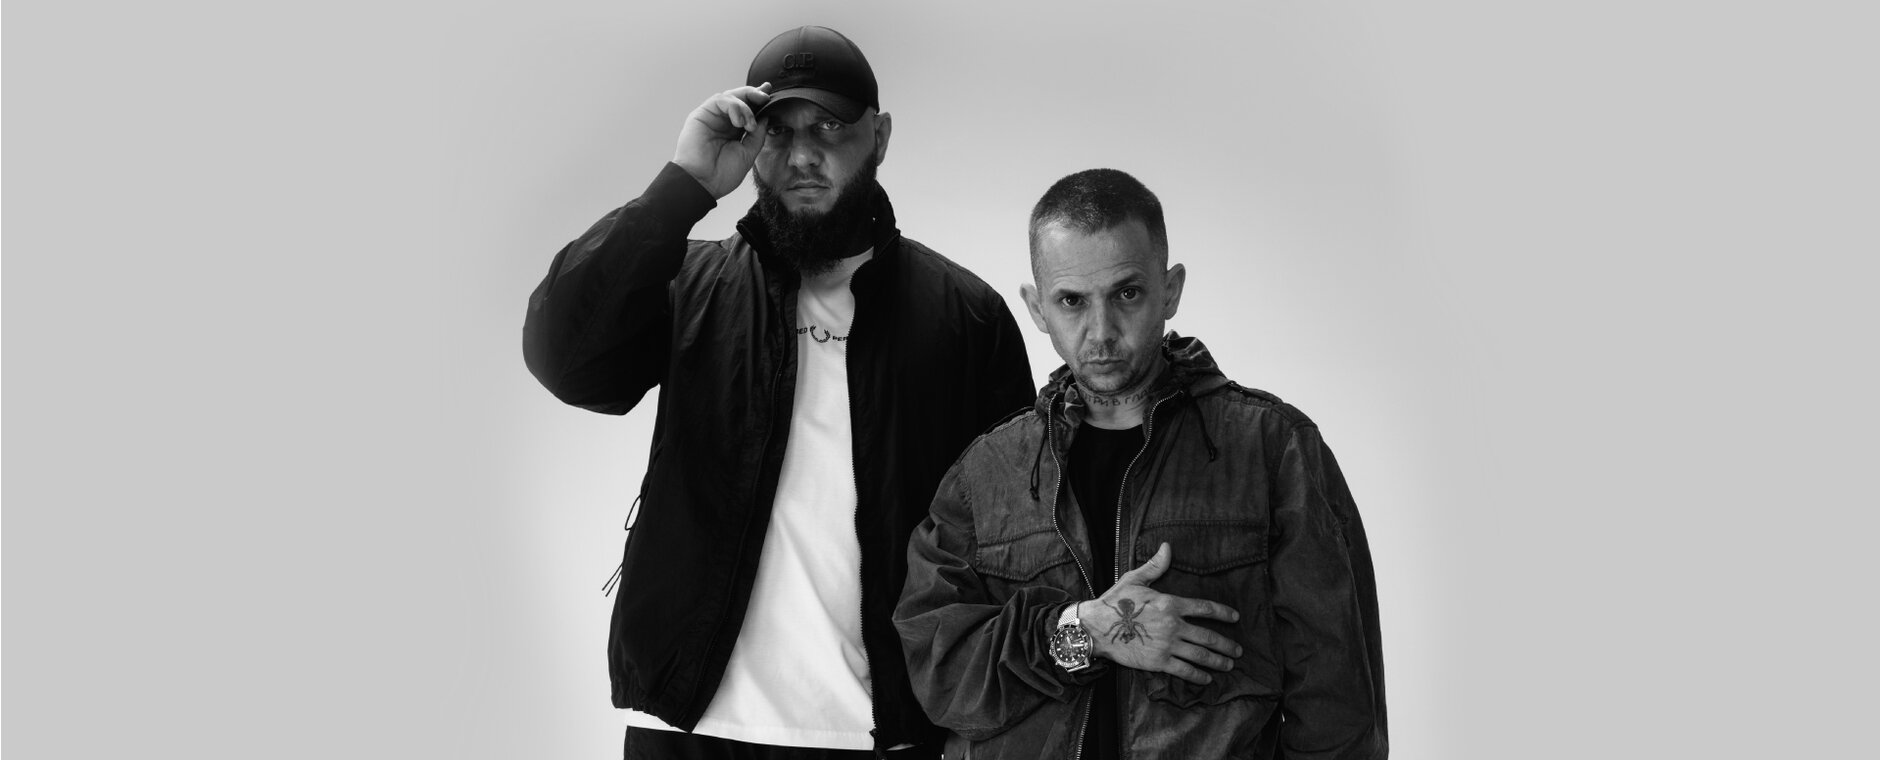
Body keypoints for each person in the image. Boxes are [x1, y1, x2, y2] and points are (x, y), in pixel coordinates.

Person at [522, 26, 1034, 760]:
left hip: (885, 734)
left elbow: (1011, 545)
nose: (801, 156)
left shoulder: (965, 316)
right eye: (778, 131)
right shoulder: (689, 285)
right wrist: (684, 185)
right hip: (691, 728)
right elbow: (563, 359)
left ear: (880, 136)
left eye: (829, 128)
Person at [894, 169, 1387, 759]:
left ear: (1170, 290)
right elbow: (938, 668)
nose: (1101, 332)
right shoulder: (987, 474)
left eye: (1126, 293)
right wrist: (1082, 631)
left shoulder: (1272, 449)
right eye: (1072, 301)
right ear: (1036, 307)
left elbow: (1338, 702)